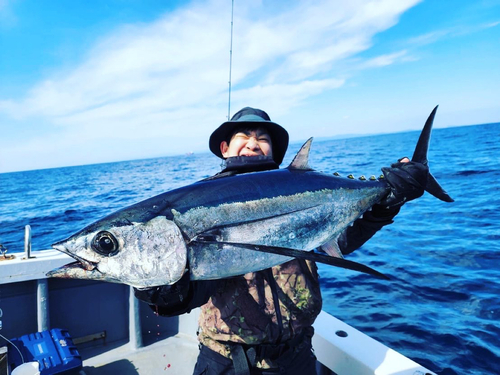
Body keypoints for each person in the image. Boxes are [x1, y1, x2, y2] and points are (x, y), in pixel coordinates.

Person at [135, 107, 427, 375]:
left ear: (274, 150)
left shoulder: (299, 189)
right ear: (225, 148)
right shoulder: (196, 202)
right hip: (225, 361)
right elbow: (192, 293)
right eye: (244, 136)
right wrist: (158, 286)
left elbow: (338, 243)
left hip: (296, 356)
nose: (253, 142)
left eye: (263, 138)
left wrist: (389, 199)